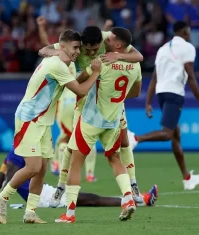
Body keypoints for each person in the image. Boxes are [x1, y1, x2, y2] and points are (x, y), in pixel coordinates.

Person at [0, 29, 102, 225]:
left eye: (79, 48)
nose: (78, 51)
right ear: (63, 47)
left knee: (42, 168)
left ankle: (30, 212)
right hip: (30, 119)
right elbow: (79, 90)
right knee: (33, 166)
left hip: (44, 120)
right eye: (75, 47)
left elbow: (44, 50)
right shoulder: (57, 65)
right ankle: (3, 197)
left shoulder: (62, 61)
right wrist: (95, 73)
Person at [55, 27, 157, 224]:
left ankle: (69, 213)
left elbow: (78, 82)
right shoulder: (134, 66)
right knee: (115, 158)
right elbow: (135, 93)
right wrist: (112, 98)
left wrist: (92, 74)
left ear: (117, 44)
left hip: (92, 119)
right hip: (114, 119)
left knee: (76, 161)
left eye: (110, 39)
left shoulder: (101, 61)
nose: (106, 40)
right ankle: (128, 198)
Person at [39, 25, 145, 206]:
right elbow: (44, 50)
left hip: (110, 101)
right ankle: (60, 188)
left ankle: (133, 186)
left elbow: (139, 56)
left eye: (95, 49)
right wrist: (61, 53)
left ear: (103, 43)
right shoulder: (76, 45)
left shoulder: (108, 39)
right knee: (73, 147)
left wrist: (119, 56)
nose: (91, 53)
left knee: (124, 142)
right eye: (87, 50)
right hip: (85, 100)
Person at [132, 21, 199, 191]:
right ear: (185, 31)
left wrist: (147, 102)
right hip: (174, 93)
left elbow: (154, 77)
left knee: (176, 136)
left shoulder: (163, 49)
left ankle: (187, 178)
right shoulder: (188, 47)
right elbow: (190, 75)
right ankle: (135, 139)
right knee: (168, 134)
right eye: (188, 31)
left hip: (161, 92)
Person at [0, 150, 156, 209]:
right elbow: (5, 181)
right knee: (91, 199)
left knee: (89, 198)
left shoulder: (13, 153)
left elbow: (0, 181)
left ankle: (135, 200)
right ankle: (141, 200)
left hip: (43, 192)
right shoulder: (16, 152)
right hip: (42, 199)